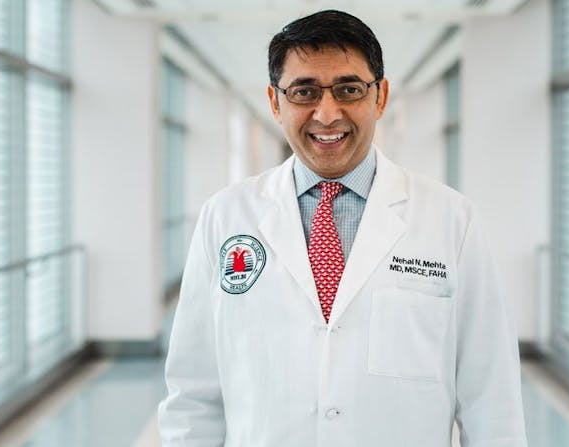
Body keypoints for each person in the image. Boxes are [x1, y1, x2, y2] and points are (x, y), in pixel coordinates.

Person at [158, 9, 527, 447]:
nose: (327, 113)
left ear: (381, 96)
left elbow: (491, 398)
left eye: (349, 89)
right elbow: (193, 395)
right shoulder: (225, 217)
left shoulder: (451, 220)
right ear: (275, 102)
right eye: (304, 91)